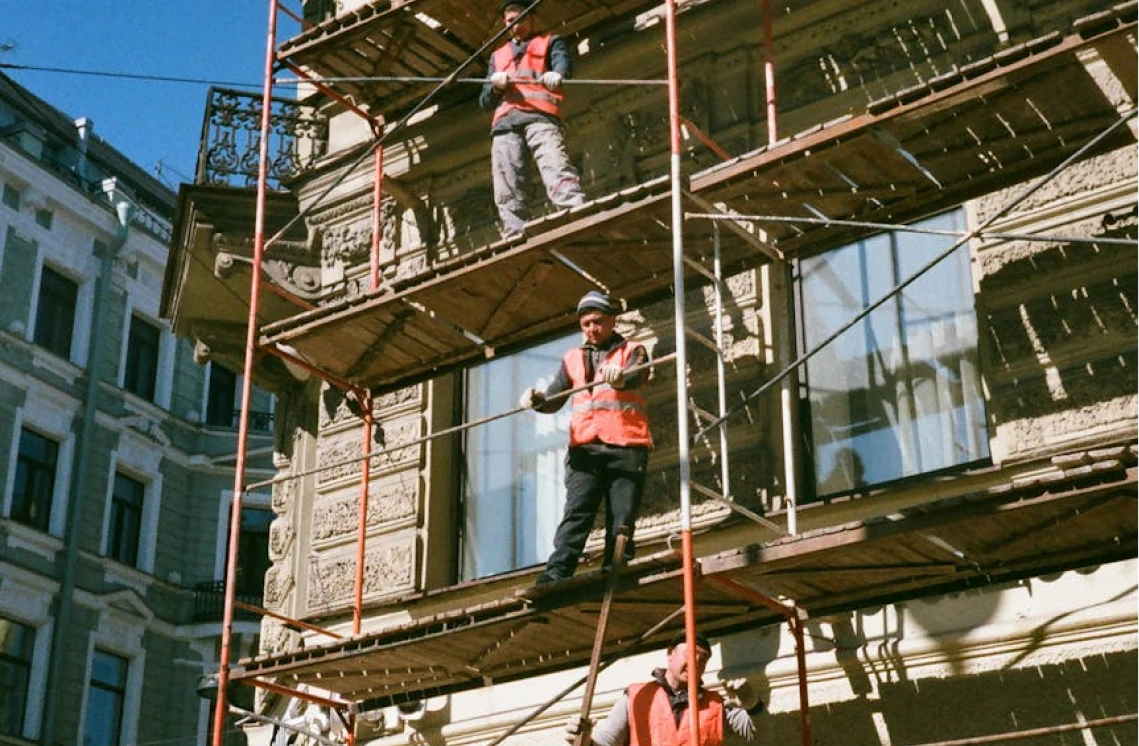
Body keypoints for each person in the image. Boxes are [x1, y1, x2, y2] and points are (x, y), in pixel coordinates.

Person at [519, 291, 651, 588]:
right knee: (577, 511)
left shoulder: (634, 350)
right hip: (585, 447)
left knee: (623, 514)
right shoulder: (572, 359)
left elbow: (636, 374)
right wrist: (538, 400)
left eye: (598, 322)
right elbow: (555, 396)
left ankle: (616, 566)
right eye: (586, 324)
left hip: (625, 445)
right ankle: (558, 571)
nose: (592, 329)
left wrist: (622, 375)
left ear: (612, 320)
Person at [479, 0, 586, 239]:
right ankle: (514, 229)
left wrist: (556, 74)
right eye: (511, 21)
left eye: (521, 19)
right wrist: (494, 87)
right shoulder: (497, 56)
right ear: (505, 24)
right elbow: (484, 101)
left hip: (540, 115)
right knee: (507, 179)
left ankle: (572, 206)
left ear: (531, 19)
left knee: (553, 161)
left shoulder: (549, 42)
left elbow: (563, 65)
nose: (516, 25)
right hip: (506, 123)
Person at [568, 631, 764, 745]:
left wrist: (752, 704)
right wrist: (584, 742)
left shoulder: (716, 704)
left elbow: (759, 735)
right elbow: (605, 744)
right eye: (690, 654)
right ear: (670, 654)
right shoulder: (636, 697)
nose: (696, 662)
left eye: (703, 659)